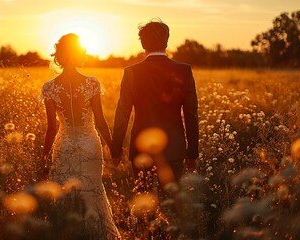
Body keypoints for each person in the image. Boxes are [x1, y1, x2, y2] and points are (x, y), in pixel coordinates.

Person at [41, 33, 121, 239]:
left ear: (59, 55)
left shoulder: (49, 88)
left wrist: (43, 156)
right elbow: (101, 123)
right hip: (90, 145)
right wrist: (114, 148)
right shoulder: (92, 83)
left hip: (64, 145)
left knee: (65, 194)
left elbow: (51, 128)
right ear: (79, 54)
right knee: (92, 192)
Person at [111, 19, 199, 191]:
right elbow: (191, 113)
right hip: (174, 148)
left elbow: (123, 113)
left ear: (143, 44)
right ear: (166, 41)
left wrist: (116, 150)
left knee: (144, 203)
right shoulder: (184, 70)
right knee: (172, 205)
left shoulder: (131, 73)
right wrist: (192, 152)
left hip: (141, 149)